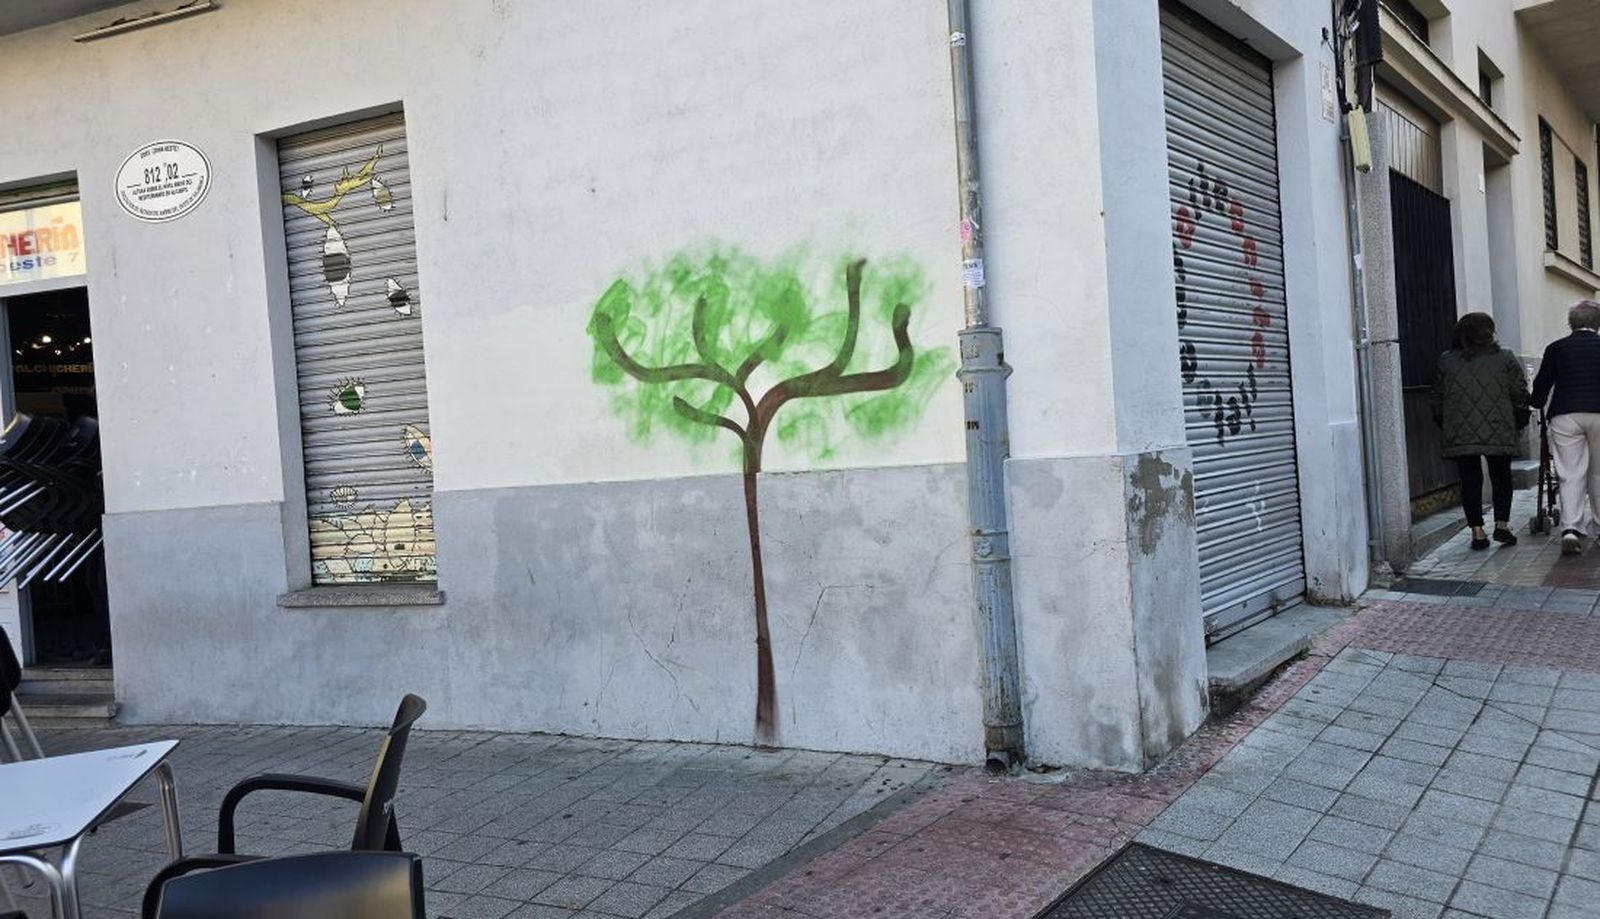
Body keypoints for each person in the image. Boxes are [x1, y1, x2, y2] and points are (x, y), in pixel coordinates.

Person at [1431, 312, 1529, 550]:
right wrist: (1518, 419)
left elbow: (1437, 398)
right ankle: (1502, 526)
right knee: (1501, 476)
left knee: (1470, 480)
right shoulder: (1504, 357)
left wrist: (1445, 423)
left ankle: (1477, 531)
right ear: (1489, 332)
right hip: (1499, 426)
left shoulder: (1447, 359)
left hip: (1461, 431)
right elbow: (1518, 392)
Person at [1531, 299, 1600, 554]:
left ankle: (1571, 529)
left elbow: (1541, 387)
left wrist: (1535, 402)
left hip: (1565, 414)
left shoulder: (1556, 348)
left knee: (1570, 472)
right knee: (1598, 473)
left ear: (1571, 323)